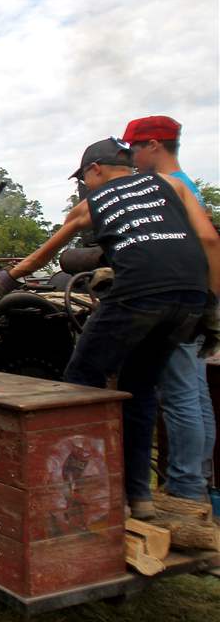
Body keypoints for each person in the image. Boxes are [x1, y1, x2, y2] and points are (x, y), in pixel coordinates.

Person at [0, 137, 220, 518]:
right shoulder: (171, 184)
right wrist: (211, 305)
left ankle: (87, 494)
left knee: (79, 385)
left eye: (84, 178)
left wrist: (2, 281)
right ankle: (138, 496)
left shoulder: (92, 203)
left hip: (138, 292)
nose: (85, 185)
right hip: (190, 295)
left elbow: (42, 257)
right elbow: (209, 238)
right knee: (140, 388)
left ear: (95, 170)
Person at [123, 115, 216, 506]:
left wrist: (210, 303)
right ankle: (200, 483)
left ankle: (185, 489)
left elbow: (209, 241)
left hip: (180, 304)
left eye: (134, 149)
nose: (131, 158)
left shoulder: (169, 187)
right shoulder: (185, 184)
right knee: (195, 395)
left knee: (179, 398)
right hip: (195, 302)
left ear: (153, 146)